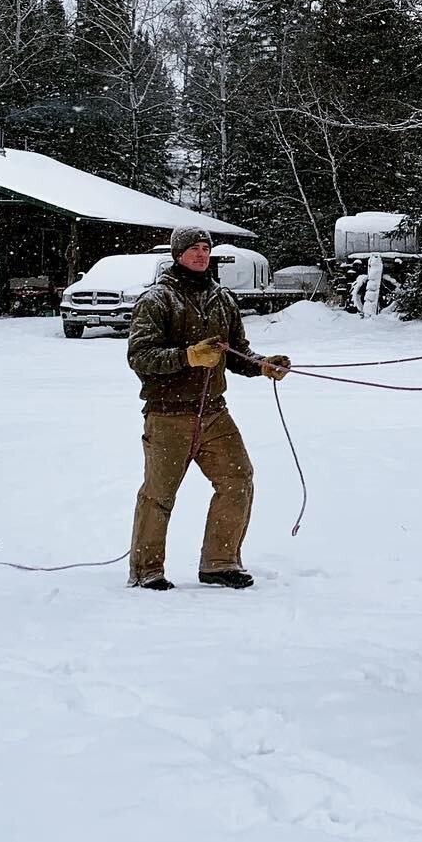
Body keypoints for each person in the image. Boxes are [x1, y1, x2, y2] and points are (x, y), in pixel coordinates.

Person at [125, 226, 291, 591]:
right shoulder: (157, 299)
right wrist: (187, 357)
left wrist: (263, 365)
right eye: (193, 249)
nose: (201, 254)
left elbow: (237, 352)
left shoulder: (222, 299)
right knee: (159, 494)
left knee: (238, 478)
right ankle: (146, 569)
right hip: (168, 414)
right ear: (177, 254)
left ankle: (220, 562)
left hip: (215, 412)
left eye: (205, 248)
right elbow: (139, 356)